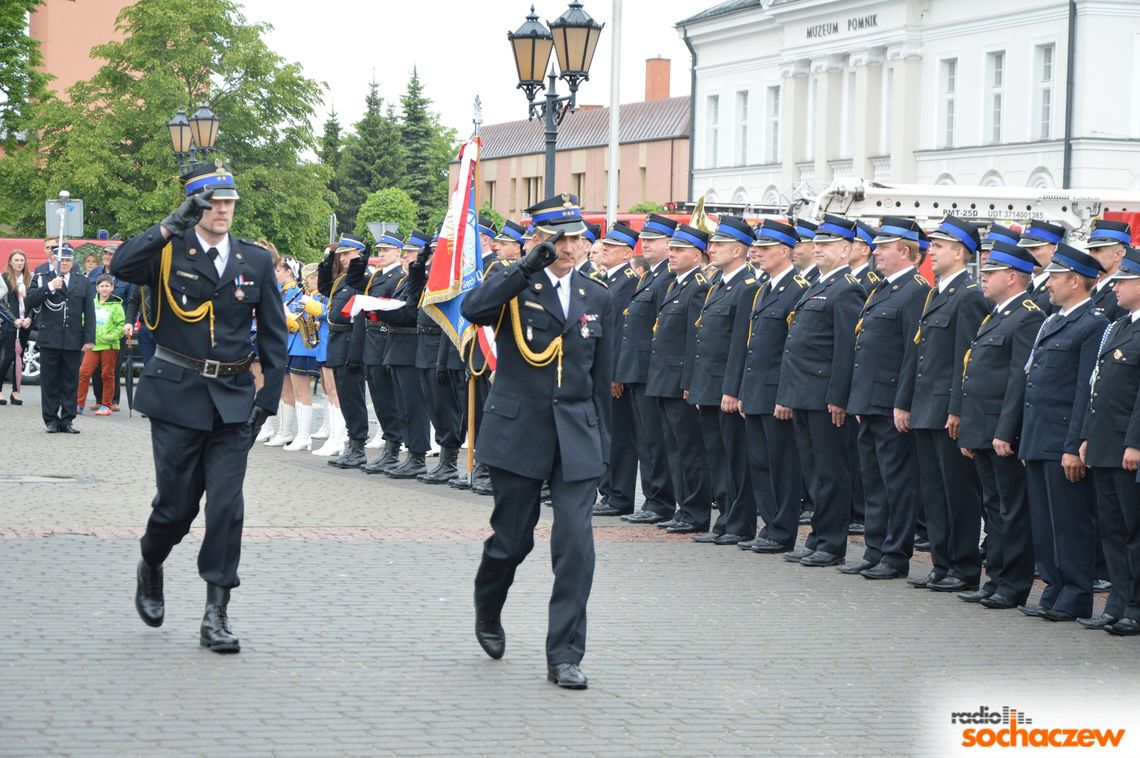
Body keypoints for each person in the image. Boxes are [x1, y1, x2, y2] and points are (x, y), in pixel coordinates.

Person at [111, 163, 287, 653]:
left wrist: (267, 401)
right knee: (176, 506)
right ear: (196, 206)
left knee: (227, 505)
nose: (225, 210)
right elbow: (120, 266)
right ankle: (151, 560)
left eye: (230, 201)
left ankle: (216, 613)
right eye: (214, 202)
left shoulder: (252, 261)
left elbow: (274, 335)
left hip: (232, 401)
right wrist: (169, 224)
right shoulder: (167, 251)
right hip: (176, 395)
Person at [463, 193, 612, 690]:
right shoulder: (511, 286)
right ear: (539, 239)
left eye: (577, 237)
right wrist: (524, 268)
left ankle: (565, 654)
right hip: (519, 429)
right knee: (512, 540)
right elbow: (473, 309)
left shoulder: (599, 296)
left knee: (575, 546)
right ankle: (489, 604)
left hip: (575, 434)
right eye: (561, 238)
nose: (572, 247)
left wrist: (601, 445)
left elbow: (599, 379)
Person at [1018, 243, 1107, 622]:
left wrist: (1074, 445)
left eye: (1055, 277)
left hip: (1062, 440)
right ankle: (1054, 587)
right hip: (1038, 436)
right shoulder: (1052, 320)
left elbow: (1085, 392)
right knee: (1044, 521)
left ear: (1075, 280)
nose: (1048, 283)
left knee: (1070, 522)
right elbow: (1033, 381)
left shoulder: (1093, 324)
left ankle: (1074, 594)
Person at [841, 217, 930, 580]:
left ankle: (895, 555)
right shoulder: (882, 288)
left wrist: (903, 402)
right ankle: (875, 548)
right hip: (870, 401)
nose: (876, 251)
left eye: (884, 246)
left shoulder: (915, 291)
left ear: (905, 251)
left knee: (896, 483)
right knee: (873, 481)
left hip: (891, 402)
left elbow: (913, 353)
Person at [957, 242, 1044, 610]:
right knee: (992, 508)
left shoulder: (1027, 316)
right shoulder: (995, 315)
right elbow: (974, 374)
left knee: (1011, 509)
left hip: (1001, 433)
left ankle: (1014, 583)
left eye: (990, 273)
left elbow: (1017, 381)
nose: (984, 279)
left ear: (1012, 277)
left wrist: (1005, 431)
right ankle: (995, 578)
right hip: (982, 427)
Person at [905, 217, 988, 592]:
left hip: (946, 412)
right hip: (926, 407)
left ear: (959, 252)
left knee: (958, 494)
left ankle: (964, 567)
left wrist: (957, 408)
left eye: (938, 247)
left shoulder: (968, 295)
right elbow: (923, 355)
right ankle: (941, 564)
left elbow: (965, 360)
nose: (931, 253)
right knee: (934, 493)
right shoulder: (938, 293)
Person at [776, 215, 863, 568]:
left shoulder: (848, 288)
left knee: (831, 472)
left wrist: (838, 397)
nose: (818, 248)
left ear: (845, 249)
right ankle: (817, 537)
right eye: (816, 243)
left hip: (825, 398)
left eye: (826, 244)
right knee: (813, 471)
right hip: (804, 394)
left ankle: (831, 542)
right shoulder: (816, 285)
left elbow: (845, 349)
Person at [737, 220, 809, 553]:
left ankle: (783, 530)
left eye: (764, 249)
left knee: (782, 466)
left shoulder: (797, 288)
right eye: (757, 248)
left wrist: (786, 395)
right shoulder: (765, 286)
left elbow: (790, 351)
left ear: (784, 251)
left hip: (776, 391)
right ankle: (769, 524)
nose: (757, 253)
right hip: (756, 390)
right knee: (760, 463)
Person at [1079, 244, 1140, 634]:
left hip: (1127, 446)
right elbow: (1096, 387)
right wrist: (1086, 436)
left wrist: (1135, 442)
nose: (1114, 288)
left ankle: (1135, 606)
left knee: (1134, 531)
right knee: (1112, 529)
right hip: (1103, 443)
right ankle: (1118, 601)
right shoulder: (1119, 326)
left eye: (1123, 281)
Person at [692, 217, 762, 545]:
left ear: (738, 250)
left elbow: (739, 343)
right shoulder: (720, 284)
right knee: (716, 457)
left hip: (725, 389)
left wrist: (732, 389)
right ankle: (724, 517)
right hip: (709, 385)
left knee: (736, 459)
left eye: (718, 245)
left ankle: (740, 522)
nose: (712, 249)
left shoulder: (747, 287)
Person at [645, 224, 713, 533]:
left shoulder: (697, 286)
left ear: (697, 254)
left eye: (678, 250)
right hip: (663, 379)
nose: (671, 254)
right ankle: (683, 509)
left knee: (689, 451)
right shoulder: (675, 284)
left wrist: (688, 382)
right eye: (670, 249)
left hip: (679, 382)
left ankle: (695, 512)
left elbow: (694, 339)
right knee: (673, 449)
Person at [617, 213, 679, 525]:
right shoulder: (651, 275)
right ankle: (653, 499)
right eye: (646, 239)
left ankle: (660, 502)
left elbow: (662, 331)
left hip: (650, 369)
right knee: (646, 440)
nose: (646, 245)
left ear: (670, 244)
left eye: (653, 240)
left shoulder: (668, 276)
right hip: (638, 368)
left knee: (655, 441)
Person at [591, 222, 640, 518]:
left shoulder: (627, 283)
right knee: (603, 434)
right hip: (600, 371)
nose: (603, 251)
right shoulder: (604, 280)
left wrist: (615, 374)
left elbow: (622, 333)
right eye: (603, 246)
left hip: (613, 374)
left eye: (610, 248)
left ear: (625, 255)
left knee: (619, 438)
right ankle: (607, 490)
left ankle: (619, 495)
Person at [25, 244, 96, 432]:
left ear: (72, 262)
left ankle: (67, 420)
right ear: (53, 260)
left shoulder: (83, 282)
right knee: (50, 382)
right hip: (50, 337)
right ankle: (50, 420)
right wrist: (50, 287)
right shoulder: (42, 279)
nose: (64, 263)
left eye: (67, 260)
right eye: (60, 260)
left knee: (70, 381)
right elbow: (29, 301)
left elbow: (89, 312)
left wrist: (89, 339)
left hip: (73, 338)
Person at [317, 235, 369, 468]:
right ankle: (352, 443)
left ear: (358, 253)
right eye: (342, 254)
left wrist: (355, 353)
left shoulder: (363, 278)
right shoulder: (342, 280)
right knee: (345, 397)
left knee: (353, 396)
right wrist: (326, 263)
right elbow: (325, 288)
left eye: (348, 254)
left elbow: (360, 317)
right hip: (337, 339)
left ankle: (358, 446)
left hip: (350, 341)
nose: (343, 258)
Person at [359, 235, 405, 474]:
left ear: (398, 252)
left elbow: (393, 305)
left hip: (384, 335)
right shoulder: (378, 275)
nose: (382, 253)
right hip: (371, 338)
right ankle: (389, 443)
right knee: (377, 395)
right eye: (380, 250)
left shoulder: (399, 277)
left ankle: (393, 447)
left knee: (387, 397)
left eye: (387, 250)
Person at [76, 274, 126, 415]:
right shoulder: (91, 303)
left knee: (107, 374)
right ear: (97, 288)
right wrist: (85, 338)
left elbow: (120, 325)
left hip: (109, 346)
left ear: (112, 288)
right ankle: (78, 404)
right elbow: (84, 320)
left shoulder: (117, 306)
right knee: (84, 373)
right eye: (102, 286)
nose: (104, 288)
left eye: (107, 286)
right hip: (93, 344)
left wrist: (112, 336)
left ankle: (106, 405)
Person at [1, 250, 33, 405]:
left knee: (19, 358)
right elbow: (1, 304)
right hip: (10, 324)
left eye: (22, 260)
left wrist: (30, 317)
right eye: (17, 260)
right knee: (8, 357)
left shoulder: (30, 279)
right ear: (10, 262)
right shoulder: (4, 279)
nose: (20, 263)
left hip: (25, 324)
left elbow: (35, 301)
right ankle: (0, 390)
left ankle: (16, 391)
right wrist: (14, 320)